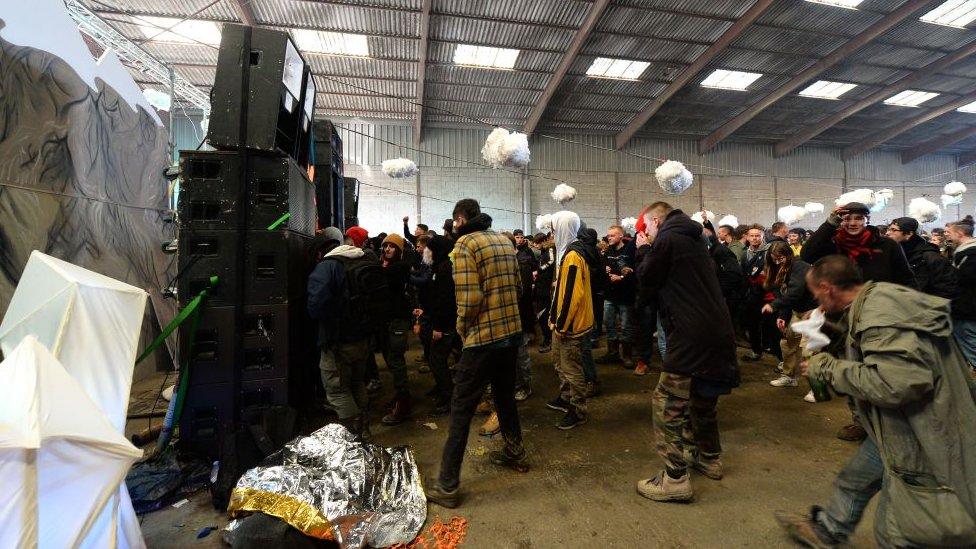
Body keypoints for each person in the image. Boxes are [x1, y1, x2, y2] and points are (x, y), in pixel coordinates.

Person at [776, 255, 976, 548]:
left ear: (827, 287)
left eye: (816, 293)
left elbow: (896, 383)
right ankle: (829, 529)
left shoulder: (879, 316)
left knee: (900, 530)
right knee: (856, 478)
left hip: (922, 431)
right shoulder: (878, 298)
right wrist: (828, 322)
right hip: (895, 425)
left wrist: (827, 368)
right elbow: (873, 344)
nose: (815, 299)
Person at [634, 202, 739, 503]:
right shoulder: (696, 237)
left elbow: (648, 280)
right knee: (702, 400)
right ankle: (709, 457)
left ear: (655, 220)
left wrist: (643, 250)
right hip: (715, 331)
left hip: (690, 335)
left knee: (667, 403)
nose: (646, 233)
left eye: (646, 228)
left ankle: (675, 478)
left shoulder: (667, 238)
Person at [426, 199, 527, 509]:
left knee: (461, 410)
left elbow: (469, 300)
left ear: (459, 219)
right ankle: (515, 453)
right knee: (505, 397)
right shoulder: (502, 240)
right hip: (510, 336)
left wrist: (461, 328)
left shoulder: (464, 246)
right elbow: (519, 287)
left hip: (482, 340)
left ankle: (447, 485)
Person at [801, 202, 916, 442]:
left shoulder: (887, 246)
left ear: (867, 219)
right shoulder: (834, 246)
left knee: (881, 371)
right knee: (850, 371)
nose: (852, 223)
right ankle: (861, 421)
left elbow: (906, 280)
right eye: (847, 219)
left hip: (881, 318)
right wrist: (830, 222)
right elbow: (807, 253)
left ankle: (889, 423)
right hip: (841, 321)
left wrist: (907, 312)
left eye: (858, 218)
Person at [306, 228, 373, 437]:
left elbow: (316, 307)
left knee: (337, 390)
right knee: (357, 382)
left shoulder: (326, 267)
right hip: (363, 337)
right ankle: (365, 430)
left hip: (337, 341)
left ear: (320, 253)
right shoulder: (361, 260)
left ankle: (353, 436)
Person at [545, 211, 596, 430]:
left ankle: (578, 409)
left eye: (554, 229)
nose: (552, 234)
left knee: (572, 368)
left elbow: (573, 295)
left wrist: (562, 324)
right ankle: (565, 397)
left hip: (571, 325)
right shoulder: (568, 252)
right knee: (560, 362)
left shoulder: (573, 255)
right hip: (563, 322)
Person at [760, 242, 815, 391]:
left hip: (813, 311)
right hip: (797, 311)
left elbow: (795, 292)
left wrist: (774, 306)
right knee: (787, 343)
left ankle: (818, 388)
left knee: (809, 350)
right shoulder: (777, 269)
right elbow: (782, 293)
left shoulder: (800, 266)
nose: (777, 261)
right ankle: (788, 377)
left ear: (788, 255)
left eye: (780, 258)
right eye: (774, 259)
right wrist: (782, 316)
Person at [416, 235, 457, 416]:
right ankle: (442, 389)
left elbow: (445, 301)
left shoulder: (444, 269)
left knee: (438, 360)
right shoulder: (439, 266)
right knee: (435, 359)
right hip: (437, 320)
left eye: (429, 249)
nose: (426, 251)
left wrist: (439, 328)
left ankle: (448, 398)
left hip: (444, 324)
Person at [378, 233, 415, 426]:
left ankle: (404, 405)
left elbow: (386, 281)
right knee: (391, 359)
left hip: (398, 321)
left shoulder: (399, 267)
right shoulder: (388, 266)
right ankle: (400, 397)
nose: (387, 250)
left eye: (392, 247)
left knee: (396, 360)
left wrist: (380, 268)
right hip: (389, 320)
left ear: (399, 250)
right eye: (385, 246)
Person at [886, 217, 957, 300]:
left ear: (909, 234)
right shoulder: (895, 254)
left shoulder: (930, 257)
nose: (887, 233)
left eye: (893, 230)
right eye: (888, 229)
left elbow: (947, 288)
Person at [597, 225, 636, 367]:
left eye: (612, 235)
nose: (609, 238)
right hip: (610, 295)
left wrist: (621, 277)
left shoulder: (630, 250)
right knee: (609, 324)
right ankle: (612, 353)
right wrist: (604, 268)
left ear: (621, 236)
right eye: (608, 235)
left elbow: (635, 271)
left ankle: (627, 356)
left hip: (625, 295)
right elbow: (602, 269)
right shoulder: (607, 251)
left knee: (626, 326)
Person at [947, 218, 976, 369]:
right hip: (967, 308)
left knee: (971, 346)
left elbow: (963, 281)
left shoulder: (969, 255)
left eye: (950, 233)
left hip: (967, 309)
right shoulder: (965, 254)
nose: (947, 236)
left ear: (959, 233)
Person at [741, 224, 771, 361]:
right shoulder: (745, 253)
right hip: (751, 295)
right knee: (752, 324)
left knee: (768, 325)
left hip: (767, 294)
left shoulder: (769, 252)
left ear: (762, 237)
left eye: (757, 236)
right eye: (751, 236)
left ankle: (773, 351)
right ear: (747, 237)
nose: (754, 238)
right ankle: (756, 351)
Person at [534, 232, 556, 353]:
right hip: (542, 287)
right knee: (542, 315)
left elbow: (550, 262)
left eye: (536, 244)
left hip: (546, 289)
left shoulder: (551, 250)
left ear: (542, 241)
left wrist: (539, 270)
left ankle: (548, 339)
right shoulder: (545, 251)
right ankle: (547, 338)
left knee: (544, 315)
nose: (535, 246)